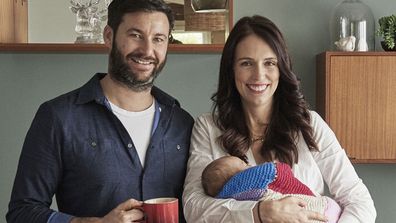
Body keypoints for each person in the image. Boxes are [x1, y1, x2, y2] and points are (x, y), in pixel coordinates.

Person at [6, 0, 194, 223]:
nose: (147, 50)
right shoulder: (59, 117)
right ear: (108, 36)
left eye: (158, 39)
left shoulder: (181, 122)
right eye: (135, 35)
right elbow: (23, 212)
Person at [182, 15, 376, 223]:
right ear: (231, 70)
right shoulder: (208, 128)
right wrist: (259, 213)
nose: (259, 75)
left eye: (269, 63)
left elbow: (359, 202)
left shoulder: (310, 125)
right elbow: (193, 207)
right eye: (246, 63)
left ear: (281, 69)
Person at [201, 156, 341, 223]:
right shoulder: (249, 181)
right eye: (242, 164)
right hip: (323, 209)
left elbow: (357, 196)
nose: (249, 165)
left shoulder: (312, 121)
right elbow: (277, 171)